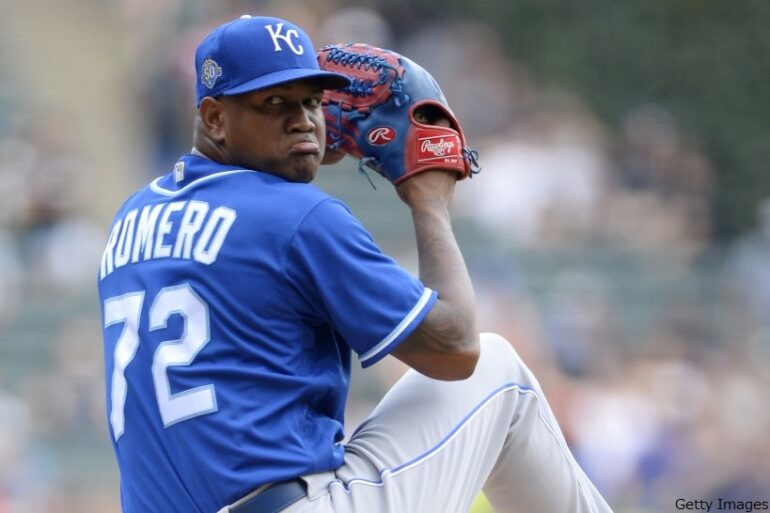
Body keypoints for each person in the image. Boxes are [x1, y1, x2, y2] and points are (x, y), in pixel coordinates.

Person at [97, 14, 614, 513]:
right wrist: (428, 202)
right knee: (501, 371)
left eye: (312, 101)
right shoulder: (296, 217)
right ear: (213, 118)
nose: (302, 120)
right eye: (275, 103)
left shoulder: (132, 217)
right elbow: (455, 349)